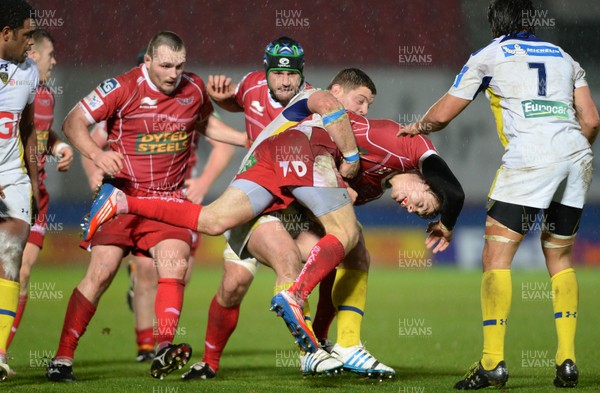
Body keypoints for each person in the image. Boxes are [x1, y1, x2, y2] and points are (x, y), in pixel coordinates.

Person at [81, 107, 464, 373]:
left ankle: (121, 201)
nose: (413, 208)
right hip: (305, 149)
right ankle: (309, 311)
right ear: (423, 180)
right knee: (348, 238)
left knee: (213, 220)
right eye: (424, 202)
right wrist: (446, 219)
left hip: (274, 157)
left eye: (420, 213)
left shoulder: (369, 189)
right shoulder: (409, 146)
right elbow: (454, 188)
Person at [398, 0, 599, 389]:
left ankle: (492, 363)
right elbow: (591, 119)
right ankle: (568, 360)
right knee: (559, 256)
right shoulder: (564, 56)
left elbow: (442, 116)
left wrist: (417, 126)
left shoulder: (489, 54)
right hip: (576, 155)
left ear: (494, 24)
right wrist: (569, 151)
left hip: (530, 159)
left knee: (496, 256)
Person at [45, 31, 244, 382]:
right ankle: (62, 359)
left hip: (168, 198)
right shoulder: (121, 87)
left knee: (175, 265)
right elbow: (72, 121)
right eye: (166, 65)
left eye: (180, 66)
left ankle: (162, 347)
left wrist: (247, 138)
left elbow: (205, 121)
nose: (173, 73)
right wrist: (96, 154)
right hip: (121, 197)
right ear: (148, 62)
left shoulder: (193, 87)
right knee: (101, 272)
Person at [189, 38, 388, 378]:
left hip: (292, 206)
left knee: (328, 256)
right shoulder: (250, 86)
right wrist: (224, 104)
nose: (284, 81)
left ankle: (314, 347)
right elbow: (236, 106)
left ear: (302, 75)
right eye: (277, 73)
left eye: (291, 74)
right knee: (233, 285)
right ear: (266, 72)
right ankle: (208, 362)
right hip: (254, 198)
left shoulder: (313, 101)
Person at [80, 52, 236, 364]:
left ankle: (158, 335)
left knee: (180, 271)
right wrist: (95, 172)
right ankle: (148, 346)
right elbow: (91, 139)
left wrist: (203, 182)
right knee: (145, 273)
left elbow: (222, 142)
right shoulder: (128, 105)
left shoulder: (187, 103)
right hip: (134, 197)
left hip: (178, 200)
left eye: (176, 69)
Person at [5, 29, 74, 351]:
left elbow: (41, 134)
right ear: (33, 55)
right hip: (12, 188)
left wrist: (60, 147)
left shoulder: (45, 94)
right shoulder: (12, 87)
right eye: (51, 55)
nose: (55, 61)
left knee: (23, 271)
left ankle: (2, 352)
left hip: (37, 196)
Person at [0, 0, 39, 382]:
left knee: (11, 253)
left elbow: (27, 128)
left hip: (11, 175)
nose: (31, 43)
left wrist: (36, 182)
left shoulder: (29, 70)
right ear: (6, 33)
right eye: (26, 35)